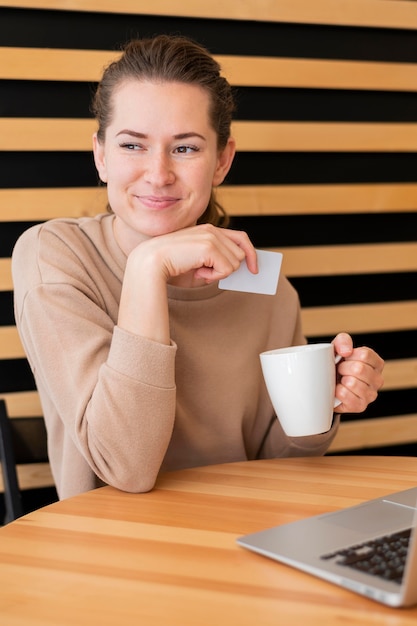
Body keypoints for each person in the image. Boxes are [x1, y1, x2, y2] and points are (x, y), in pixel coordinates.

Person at [12, 35, 384, 500]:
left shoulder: (263, 284)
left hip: (242, 536)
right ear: (101, 155)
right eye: (132, 145)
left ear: (222, 161)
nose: (158, 172)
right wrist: (150, 266)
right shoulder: (55, 255)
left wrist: (321, 403)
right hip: (111, 552)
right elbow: (126, 467)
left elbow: (279, 471)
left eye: (185, 148)